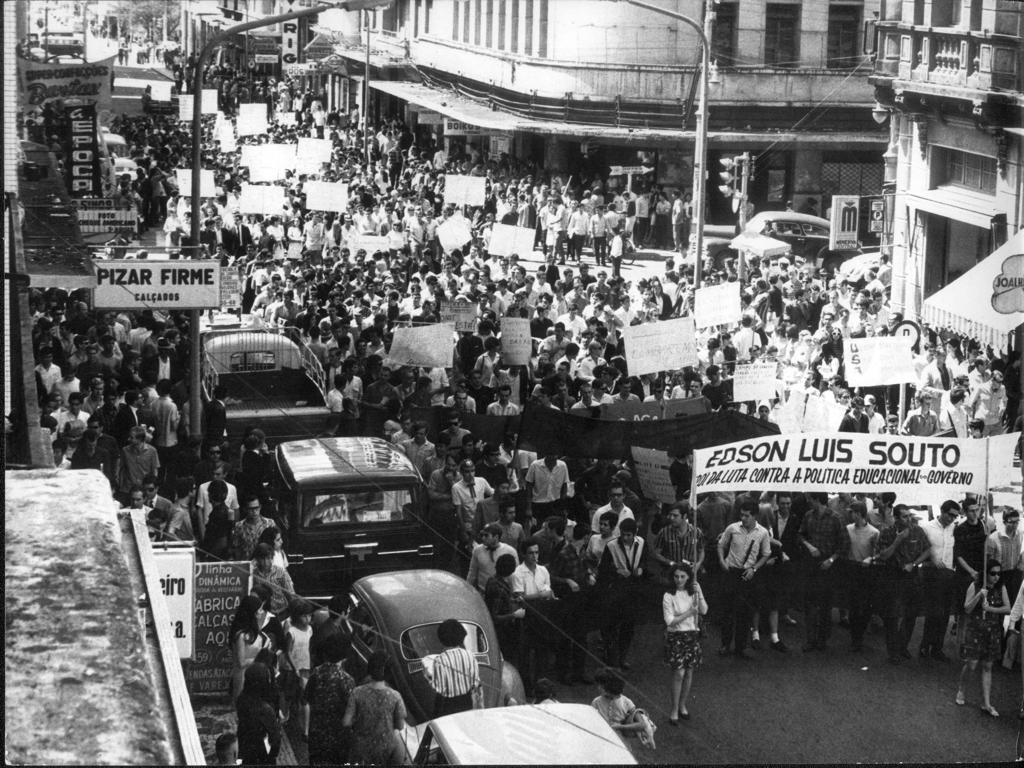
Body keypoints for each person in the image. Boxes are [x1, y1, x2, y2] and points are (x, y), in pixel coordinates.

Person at [717, 498, 771, 658]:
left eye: (747, 516)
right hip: (731, 572)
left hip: (747, 575)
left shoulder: (762, 533)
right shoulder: (732, 528)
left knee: (744, 613)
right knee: (727, 612)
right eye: (741, 515)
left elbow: (766, 554)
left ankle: (740, 648)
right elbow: (721, 545)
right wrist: (721, 560)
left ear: (755, 516)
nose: (743, 518)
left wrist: (754, 568)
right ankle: (725, 645)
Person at [955, 564, 1010, 716]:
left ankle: (986, 703)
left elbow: (1008, 608)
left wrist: (991, 609)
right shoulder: (975, 585)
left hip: (992, 631)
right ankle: (961, 690)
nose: (996, 577)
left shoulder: (1001, 587)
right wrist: (979, 595)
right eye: (993, 573)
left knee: (987, 666)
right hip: (976, 630)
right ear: (986, 574)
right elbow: (967, 608)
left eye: (999, 574)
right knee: (972, 664)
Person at [342, 650, 408, 765]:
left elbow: (346, 722)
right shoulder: (395, 696)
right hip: (386, 750)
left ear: (370, 669)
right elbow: (400, 726)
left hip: (361, 749)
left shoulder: (357, 692)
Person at [663, 562, 708, 725]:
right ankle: (674, 708)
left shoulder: (694, 591)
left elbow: (704, 610)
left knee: (689, 672)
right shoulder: (668, 595)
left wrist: (699, 592)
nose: (679, 580)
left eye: (682, 576)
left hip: (692, 635)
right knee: (679, 674)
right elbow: (670, 621)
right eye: (676, 576)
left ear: (688, 577)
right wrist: (689, 613)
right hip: (676, 637)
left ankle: (682, 705)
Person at [304, 632, 356, 765]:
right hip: (338, 739)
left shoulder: (316, 673)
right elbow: (352, 711)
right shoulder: (347, 680)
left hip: (317, 734)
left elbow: (305, 700)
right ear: (344, 656)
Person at [424, 618, 481, 718]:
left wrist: (428, 677)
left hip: (448, 706)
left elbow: (439, 688)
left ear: (441, 639)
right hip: (466, 703)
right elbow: (476, 683)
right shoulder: (470, 656)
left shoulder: (439, 660)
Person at [229, 594, 275, 705]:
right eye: (259, 610)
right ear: (252, 612)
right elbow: (241, 662)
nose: (261, 612)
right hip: (243, 677)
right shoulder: (241, 636)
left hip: (257, 675)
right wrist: (260, 656)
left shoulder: (258, 634)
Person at [235, 662, 282, 765]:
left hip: (244, 748)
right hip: (261, 754)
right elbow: (275, 739)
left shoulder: (241, 699)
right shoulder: (265, 709)